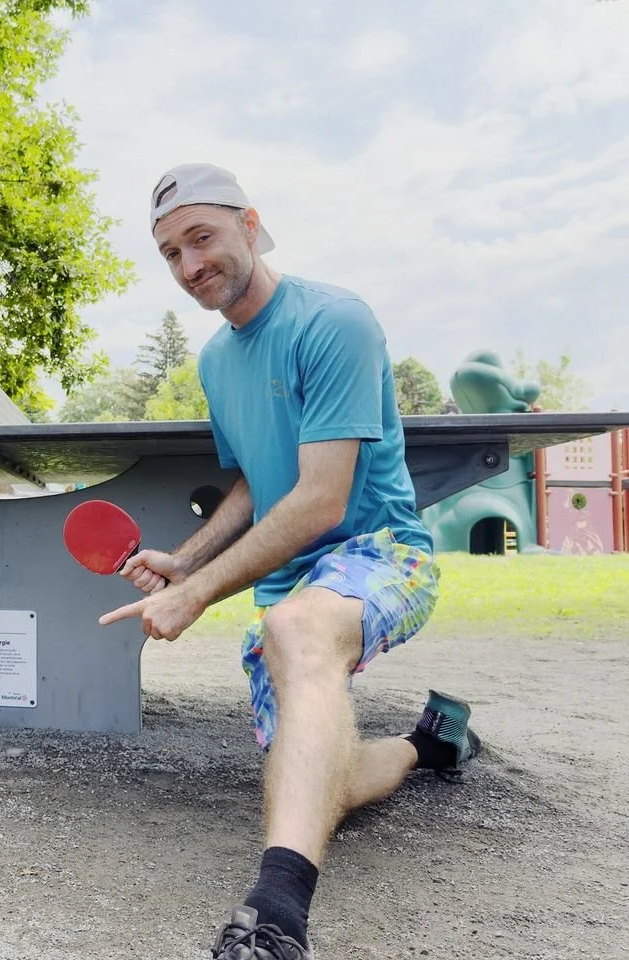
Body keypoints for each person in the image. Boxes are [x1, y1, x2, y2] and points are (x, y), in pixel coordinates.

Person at [100, 164, 480, 959]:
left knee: (297, 628)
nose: (189, 265)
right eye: (170, 253)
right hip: (288, 589)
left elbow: (319, 501)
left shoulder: (334, 322)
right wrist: (185, 561)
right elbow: (251, 481)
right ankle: (432, 743)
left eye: (201, 237)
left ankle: (275, 923)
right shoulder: (216, 361)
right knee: (311, 779)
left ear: (250, 224)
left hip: (379, 554)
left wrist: (196, 596)